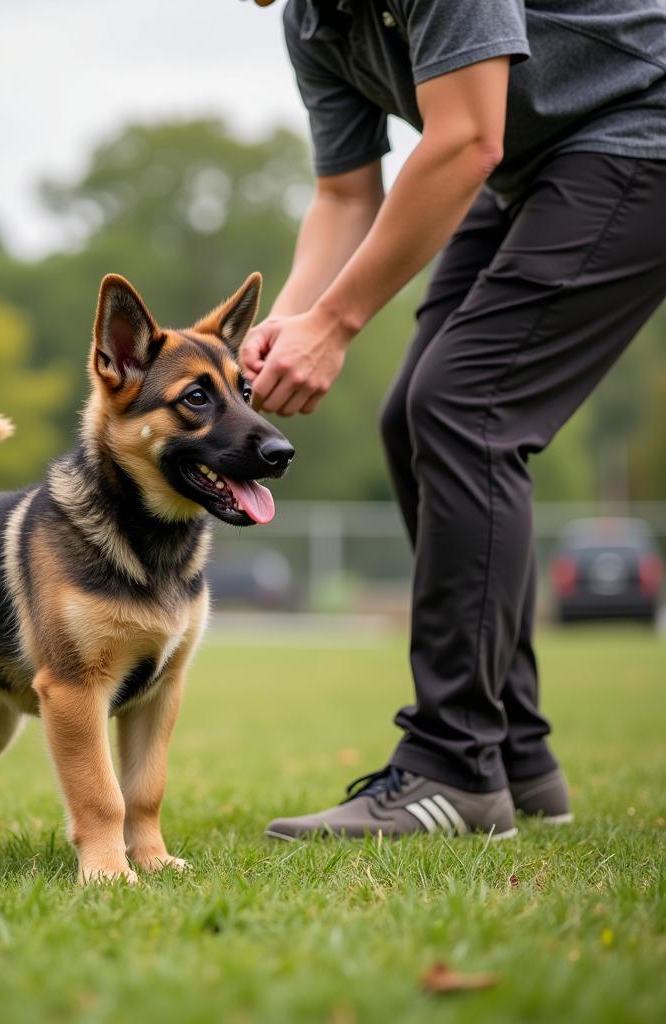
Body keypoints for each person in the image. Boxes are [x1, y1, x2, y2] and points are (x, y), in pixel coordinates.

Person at [241, 0, 666, 839]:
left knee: (467, 406)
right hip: (530, 167)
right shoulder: (313, 23)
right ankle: (515, 759)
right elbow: (343, 193)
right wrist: (286, 324)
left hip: (636, 131)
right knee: (415, 417)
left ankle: (455, 764)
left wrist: (337, 326)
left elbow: (467, 140)